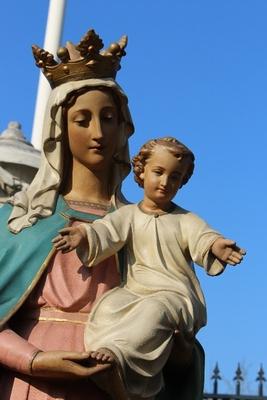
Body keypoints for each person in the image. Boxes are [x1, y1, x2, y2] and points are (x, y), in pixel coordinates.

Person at [53, 137, 246, 399]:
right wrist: (84, 236)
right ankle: (116, 372)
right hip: (136, 290)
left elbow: (203, 237)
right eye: (159, 172)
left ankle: (117, 356)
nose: (166, 182)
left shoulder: (185, 219)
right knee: (109, 305)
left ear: (182, 182)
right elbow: (106, 230)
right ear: (142, 172)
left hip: (175, 294)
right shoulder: (129, 215)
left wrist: (216, 246)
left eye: (175, 177)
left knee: (154, 312)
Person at [0, 29, 135, 399]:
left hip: (111, 382)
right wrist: (34, 359)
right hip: (31, 385)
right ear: (60, 126)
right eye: (83, 119)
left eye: (108, 118)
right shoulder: (19, 220)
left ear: (124, 128)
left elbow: (173, 331)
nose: (98, 132)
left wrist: (179, 345)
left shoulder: (142, 226)